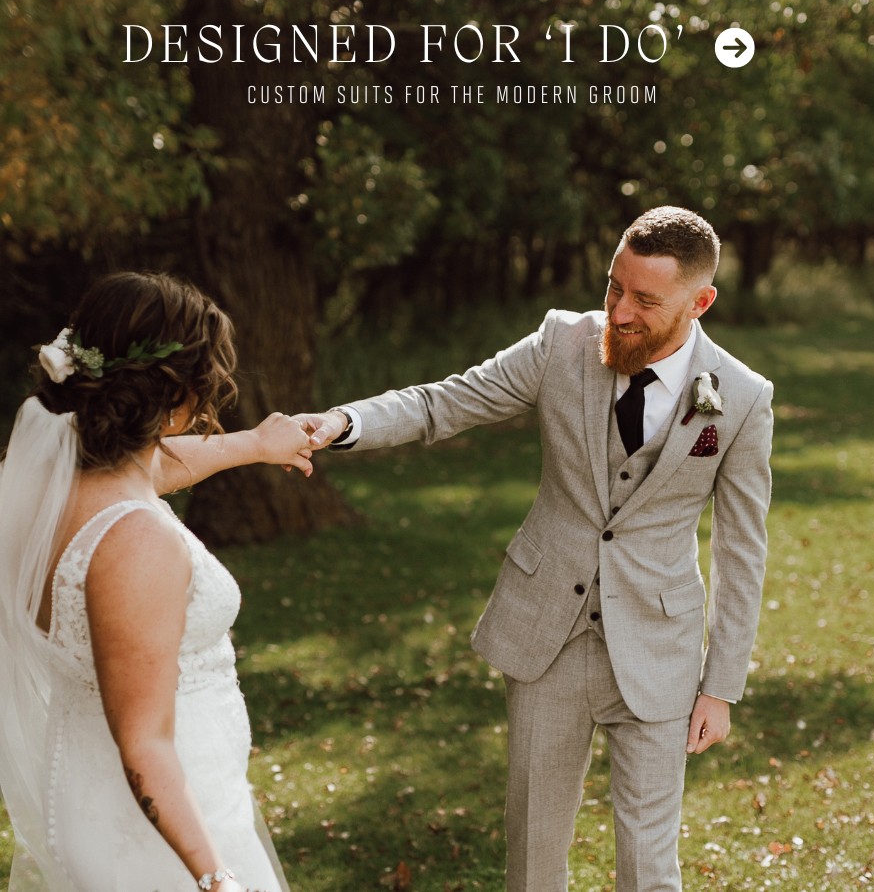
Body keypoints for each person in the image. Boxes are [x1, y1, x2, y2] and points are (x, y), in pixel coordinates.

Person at [299, 206, 774, 891]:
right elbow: (442, 404)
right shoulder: (561, 344)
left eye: (645, 300)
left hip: (660, 653)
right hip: (544, 636)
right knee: (532, 854)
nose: (619, 312)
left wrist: (721, 686)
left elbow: (742, 548)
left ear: (699, 302)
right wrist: (343, 424)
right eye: (614, 287)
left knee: (648, 864)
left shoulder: (741, 396)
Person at [0, 272, 312, 892]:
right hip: (161, 834)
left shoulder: (46, 487)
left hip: (98, 800)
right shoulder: (138, 543)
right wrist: (214, 877)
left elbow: (154, 469)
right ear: (176, 397)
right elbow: (143, 745)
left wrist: (256, 444)